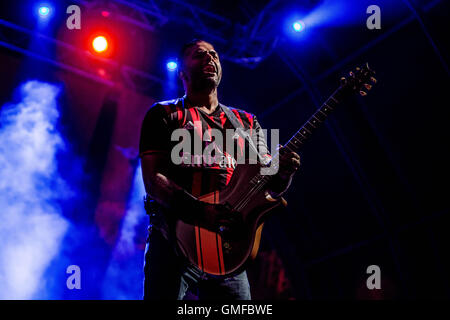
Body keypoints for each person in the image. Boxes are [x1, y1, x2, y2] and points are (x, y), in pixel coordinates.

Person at [139, 39, 301, 300]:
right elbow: (153, 181)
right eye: (199, 55)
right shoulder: (163, 114)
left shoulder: (247, 122)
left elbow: (267, 186)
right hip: (172, 243)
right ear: (181, 72)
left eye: (214, 55)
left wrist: (284, 173)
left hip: (227, 254)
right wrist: (201, 212)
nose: (209, 59)